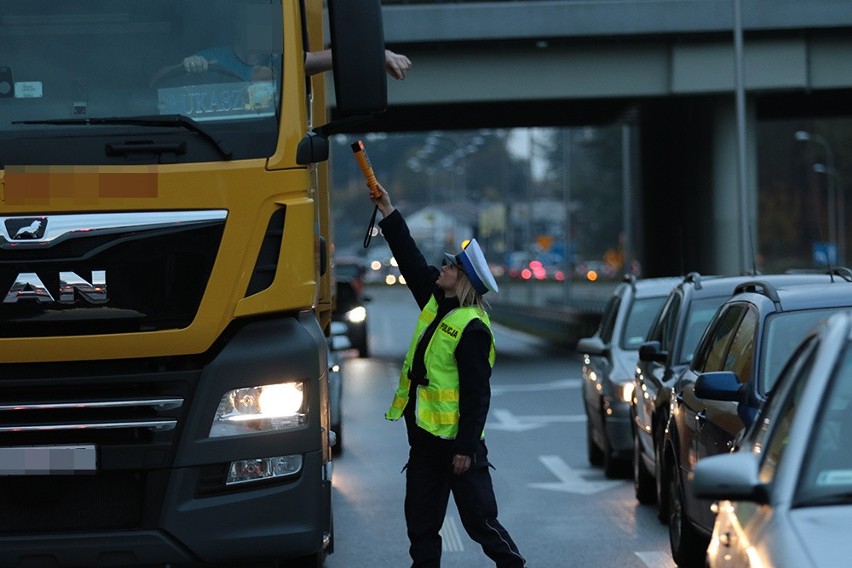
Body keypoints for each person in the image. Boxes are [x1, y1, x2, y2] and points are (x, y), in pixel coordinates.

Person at [369, 181, 526, 568]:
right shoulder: (436, 302)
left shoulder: (472, 328)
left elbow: (477, 395)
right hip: (425, 444)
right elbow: (408, 257)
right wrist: (388, 210)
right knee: (421, 528)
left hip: (458, 449)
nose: (443, 268)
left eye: (451, 266)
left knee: (480, 524)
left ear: (464, 280)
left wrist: (466, 448)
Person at [181, 47, 411, 80]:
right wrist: (191, 65)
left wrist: (378, 53)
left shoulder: (280, 60)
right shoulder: (213, 56)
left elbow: (331, 57)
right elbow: (157, 79)